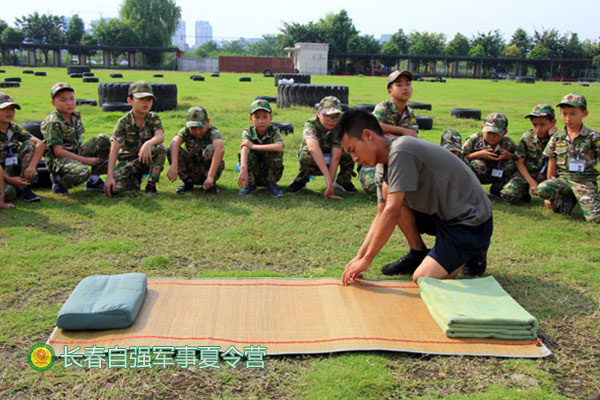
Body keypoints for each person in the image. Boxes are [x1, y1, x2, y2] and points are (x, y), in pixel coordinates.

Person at [335, 109, 494, 285]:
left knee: (423, 278)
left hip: (469, 221)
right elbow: (382, 214)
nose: (355, 158)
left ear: (368, 135)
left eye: (353, 150)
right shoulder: (382, 164)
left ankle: (473, 252)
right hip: (442, 217)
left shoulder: (401, 150)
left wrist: (367, 260)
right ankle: (418, 252)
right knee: (389, 193)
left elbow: (392, 213)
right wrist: (359, 256)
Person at [537, 93, 600, 223]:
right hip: (564, 180)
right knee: (542, 188)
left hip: (584, 181)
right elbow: (552, 162)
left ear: (584, 113)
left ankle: (584, 198)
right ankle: (568, 198)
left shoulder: (593, 137)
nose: (568, 118)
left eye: (573, 113)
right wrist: (550, 194)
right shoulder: (557, 137)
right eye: (564, 114)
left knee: (594, 218)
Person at [41, 82, 110, 194]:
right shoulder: (53, 122)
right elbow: (58, 152)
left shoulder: (75, 115)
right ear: (53, 103)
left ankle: (94, 181)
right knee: (83, 172)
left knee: (102, 140)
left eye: (71, 98)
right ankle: (59, 182)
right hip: (59, 161)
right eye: (63, 100)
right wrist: (85, 160)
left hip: (75, 152)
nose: (69, 103)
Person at [285, 96, 356, 197]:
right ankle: (301, 180)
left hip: (332, 155)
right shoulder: (311, 124)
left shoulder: (341, 126)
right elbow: (313, 148)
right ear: (319, 113)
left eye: (336, 116)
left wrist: (330, 185)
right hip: (316, 155)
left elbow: (336, 156)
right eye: (327, 116)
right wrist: (327, 178)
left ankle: (343, 181)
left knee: (349, 151)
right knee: (305, 154)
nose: (331, 120)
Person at [104, 81, 166, 196]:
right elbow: (114, 151)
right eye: (141, 99)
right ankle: (135, 180)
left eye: (149, 99)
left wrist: (148, 144)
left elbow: (160, 136)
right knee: (114, 189)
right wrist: (110, 176)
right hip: (128, 162)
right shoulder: (123, 122)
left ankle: (151, 185)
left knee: (160, 149)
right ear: (130, 101)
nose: (146, 103)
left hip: (146, 159)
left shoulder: (154, 118)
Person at [500, 104, 557, 203]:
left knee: (560, 206)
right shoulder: (527, 138)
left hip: (550, 176)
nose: (538, 129)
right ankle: (524, 193)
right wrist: (532, 183)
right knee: (508, 194)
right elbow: (520, 163)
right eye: (535, 125)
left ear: (553, 123)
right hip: (529, 174)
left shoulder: (559, 138)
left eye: (542, 124)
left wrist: (553, 138)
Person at [167, 106, 224, 195]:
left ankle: (210, 184)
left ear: (207, 122)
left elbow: (220, 149)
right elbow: (174, 143)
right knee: (172, 150)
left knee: (212, 149)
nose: (197, 132)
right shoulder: (186, 131)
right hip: (191, 167)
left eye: (200, 128)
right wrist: (174, 164)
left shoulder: (213, 132)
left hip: (207, 170)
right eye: (193, 128)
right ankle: (187, 182)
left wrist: (210, 176)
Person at [0, 92, 45, 202]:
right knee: (9, 193)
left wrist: (32, 166)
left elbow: (40, 143)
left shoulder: (14, 128)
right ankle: (16, 186)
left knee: (29, 144)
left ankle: (24, 186)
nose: (9, 112)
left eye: (12, 109)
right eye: (5, 109)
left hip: (12, 168)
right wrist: (9, 180)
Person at [462, 112, 516, 198]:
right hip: (478, 172)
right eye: (489, 132)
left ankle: (497, 190)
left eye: (496, 133)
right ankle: (472, 190)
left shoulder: (508, 143)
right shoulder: (473, 140)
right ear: (483, 128)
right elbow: (460, 159)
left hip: (496, 173)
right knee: (477, 164)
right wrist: (477, 154)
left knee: (510, 164)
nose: (492, 136)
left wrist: (509, 155)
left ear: (504, 132)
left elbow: (518, 159)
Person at [237, 99, 284, 197]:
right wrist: (243, 168)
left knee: (275, 152)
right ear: (251, 118)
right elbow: (244, 146)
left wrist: (254, 146)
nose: (261, 121)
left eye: (264, 117)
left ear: (271, 118)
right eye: (257, 117)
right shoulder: (248, 131)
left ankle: (272, 185)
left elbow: (280, 146)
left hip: (269, 172)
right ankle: (250, 185)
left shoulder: (274, 130)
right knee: (245, 152)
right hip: (254, 172)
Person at [372, 69, 419, 138]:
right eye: (399, 85)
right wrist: (402, 130)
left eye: (408, 84)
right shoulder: (383, 107)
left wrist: (392, 136)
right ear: (390, 91)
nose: (405, 88)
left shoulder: (409, 112)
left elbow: (414, 134)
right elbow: (374, 125)